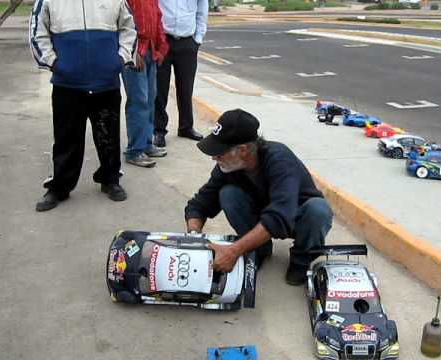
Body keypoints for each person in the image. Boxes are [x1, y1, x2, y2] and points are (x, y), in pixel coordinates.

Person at [185, 109, 334, 285]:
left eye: (220, 152)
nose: (213, 157)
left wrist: (233, 251)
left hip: (295, 217)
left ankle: (301, 260)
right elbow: (200, 203)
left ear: (243, 149)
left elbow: (279, 216)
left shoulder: (280, 160)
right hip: (265, 214)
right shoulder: (228, 165)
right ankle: (258, 250)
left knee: (318, 210)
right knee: (228, 194)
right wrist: (194, 237)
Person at [30, 0, 136, 211]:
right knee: (65, 138)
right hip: (67, 85)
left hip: (106, 83)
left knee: (108, 136)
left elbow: (129, 28)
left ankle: (110, 179)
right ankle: (60, 187)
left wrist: (120, 59)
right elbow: (37, 32)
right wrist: (53, 62)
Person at [153, 0, 209, 148]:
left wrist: (197, 40)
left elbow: (202, 13)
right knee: (160, 89)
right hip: (163, 40)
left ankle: (186, 127)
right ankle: (158, 130)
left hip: (187, 43)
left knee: (186, 88)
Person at [122, 0, 169, 168]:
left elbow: (157, 19)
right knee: (138, 101)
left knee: (150, 100)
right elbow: (124, 22)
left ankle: (146, 144)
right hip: (136, 53)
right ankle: (134, 150)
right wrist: (133, 51)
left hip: (150, 52)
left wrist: (161, 48)